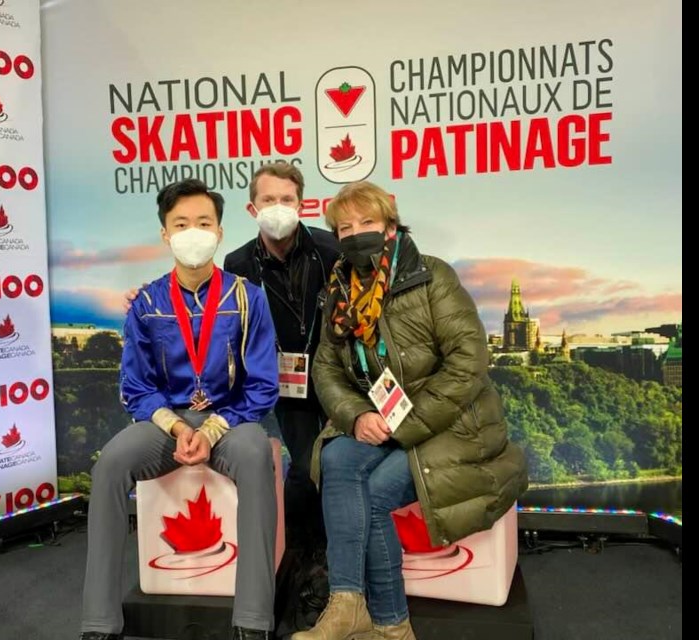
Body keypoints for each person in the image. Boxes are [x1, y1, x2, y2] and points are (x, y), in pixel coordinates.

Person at [295, 181, 529, 640]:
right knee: (337, 458)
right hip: (381, 422)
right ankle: (347, 603)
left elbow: (469, 358)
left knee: (377, 493)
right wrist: (356, 416)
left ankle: (391, 625)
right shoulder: (338, 293)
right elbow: (326, 367)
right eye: (345, 227)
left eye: (367, 222)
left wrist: (406, 421)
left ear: (389, 225)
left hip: (454, 425)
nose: (356, 232)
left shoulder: (432, 276)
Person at [80, 178, 280, 640]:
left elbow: (263, 384)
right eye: (182, 224)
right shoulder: (148, 302)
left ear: (220, 232)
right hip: (165, 424)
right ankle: (99, 623)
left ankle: (253, 621)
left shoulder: (248, 298)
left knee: (254, 458)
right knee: (109, 465)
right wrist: (174, 427)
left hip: (232, 420)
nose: (194, 232)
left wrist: (211, 430)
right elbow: (135, 386)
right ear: (166, 234)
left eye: (204, 222)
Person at [224, 161, 340, 553]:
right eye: (268, 199)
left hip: (338, 376)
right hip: (285, 382)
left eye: (287, 199)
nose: (278, 207)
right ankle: (304, 555)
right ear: (252, 208)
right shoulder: (237, 264)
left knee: (343, 463)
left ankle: (341, 552)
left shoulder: (332, 249)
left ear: (302, 205)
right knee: (307, 469)